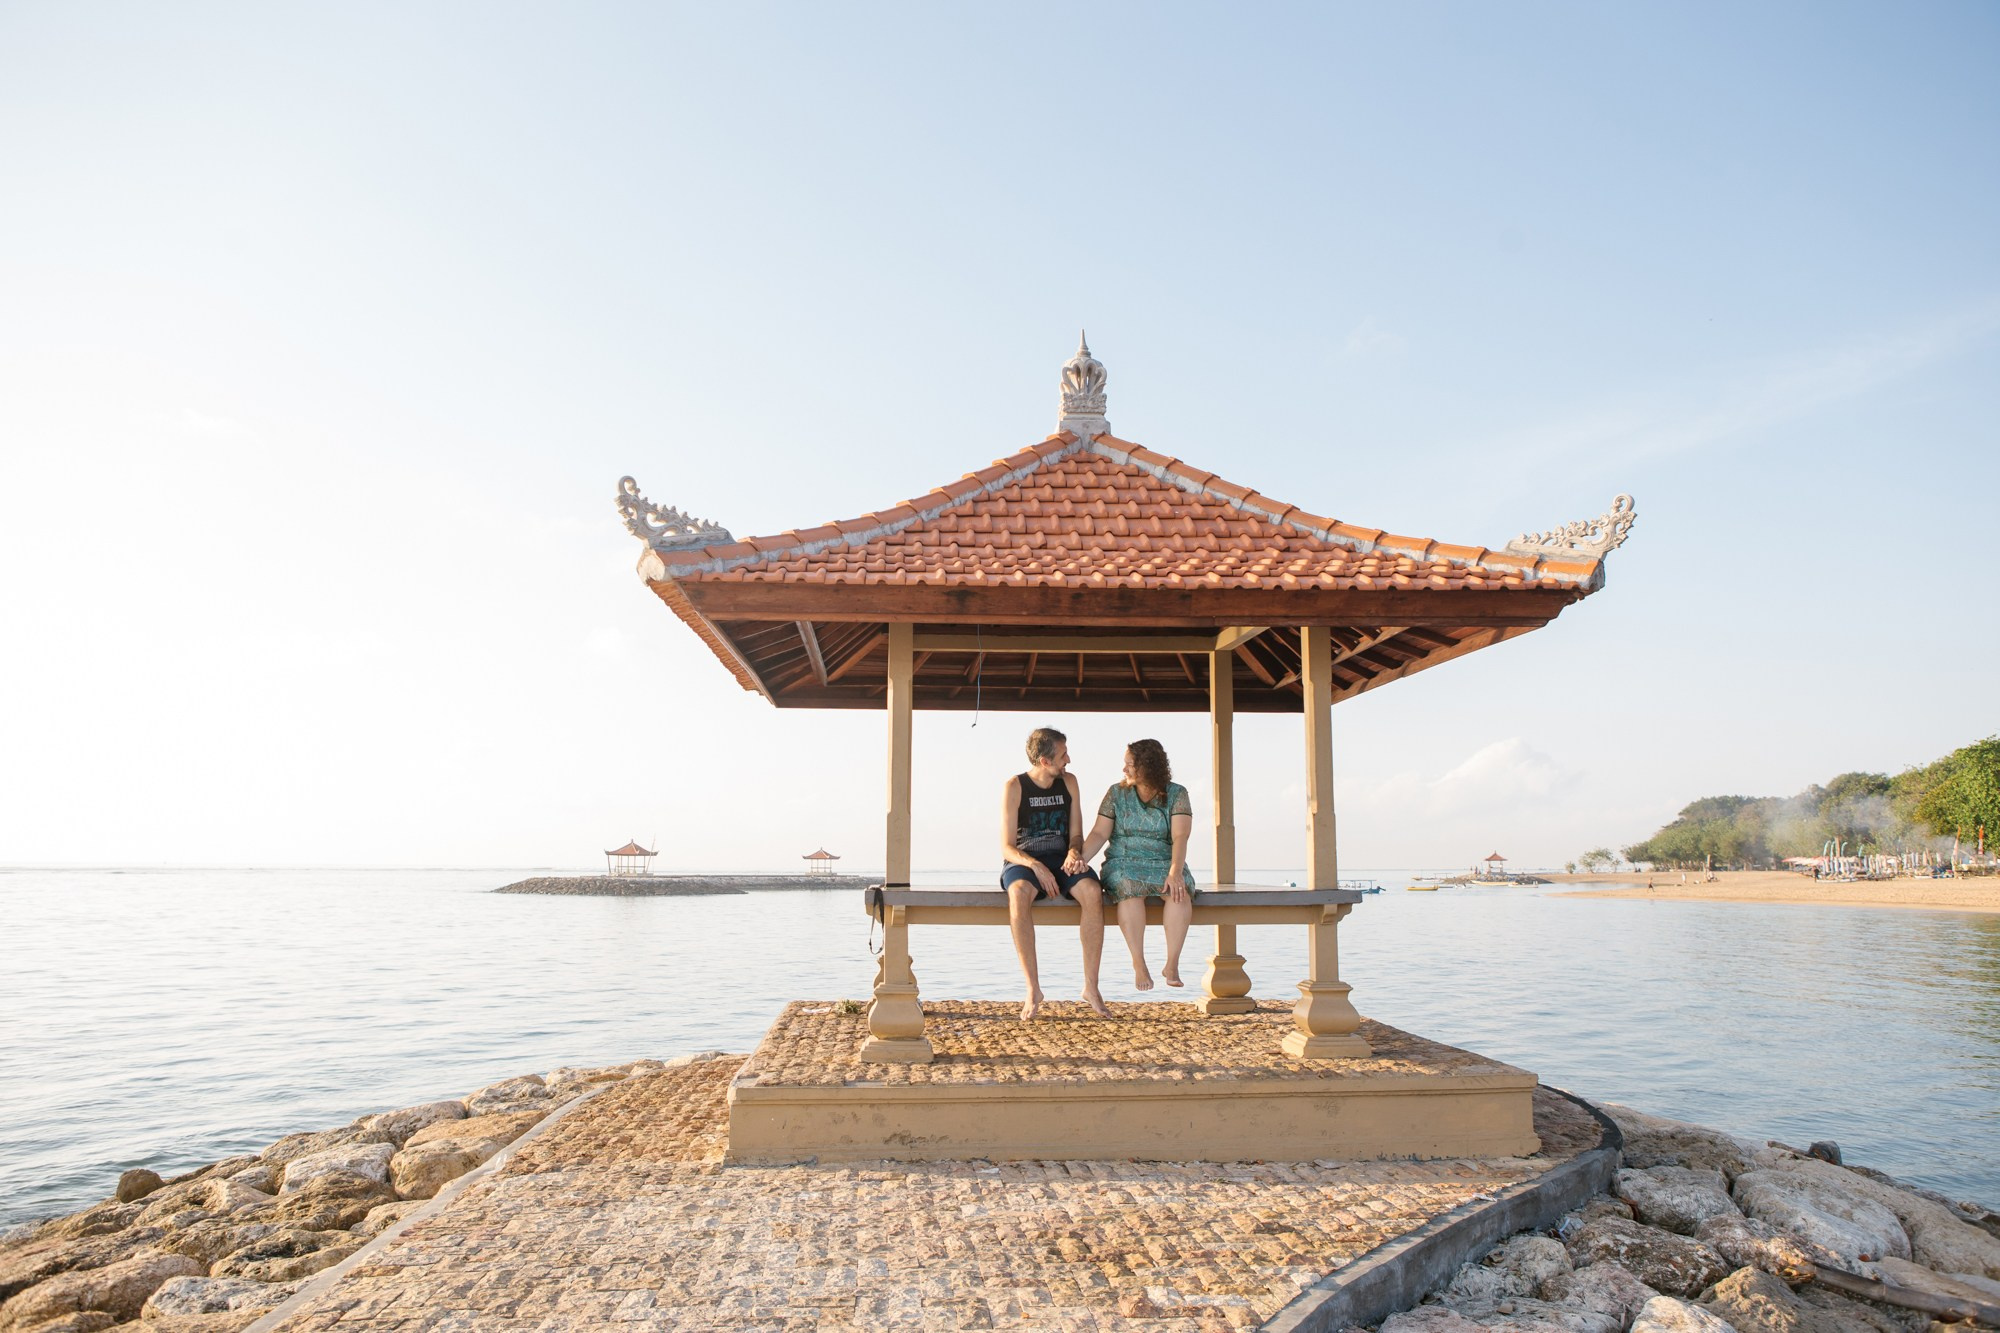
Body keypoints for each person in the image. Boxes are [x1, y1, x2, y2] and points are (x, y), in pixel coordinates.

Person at [1000, 727, 1109, 1021]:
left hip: (1062, 860)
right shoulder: (1015, 786)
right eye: (1063, 755)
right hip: (1025, 861)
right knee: (1018, 893)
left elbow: (1076, 834)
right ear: (1045, 761)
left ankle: (1091, 987)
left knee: (1092, 892)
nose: (1068, 760)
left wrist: (1074, 851)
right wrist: (1035, 866)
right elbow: (1007, 847)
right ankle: (1033, 989)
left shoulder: (1069, 782)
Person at [1079, 739, 1194, 991]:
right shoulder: (1116, 793)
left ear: (1148, 766)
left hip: (1164, 861)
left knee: (1179, 892)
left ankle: (1172, 964)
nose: (1124, 769)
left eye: (1130, 764)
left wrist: (1175, 872)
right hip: (1124, 860)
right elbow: (1099, 833)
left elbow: (1180, 836)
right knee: (1129, 889)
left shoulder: (1177, 793)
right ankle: (1139, 963)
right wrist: (1080, 859)